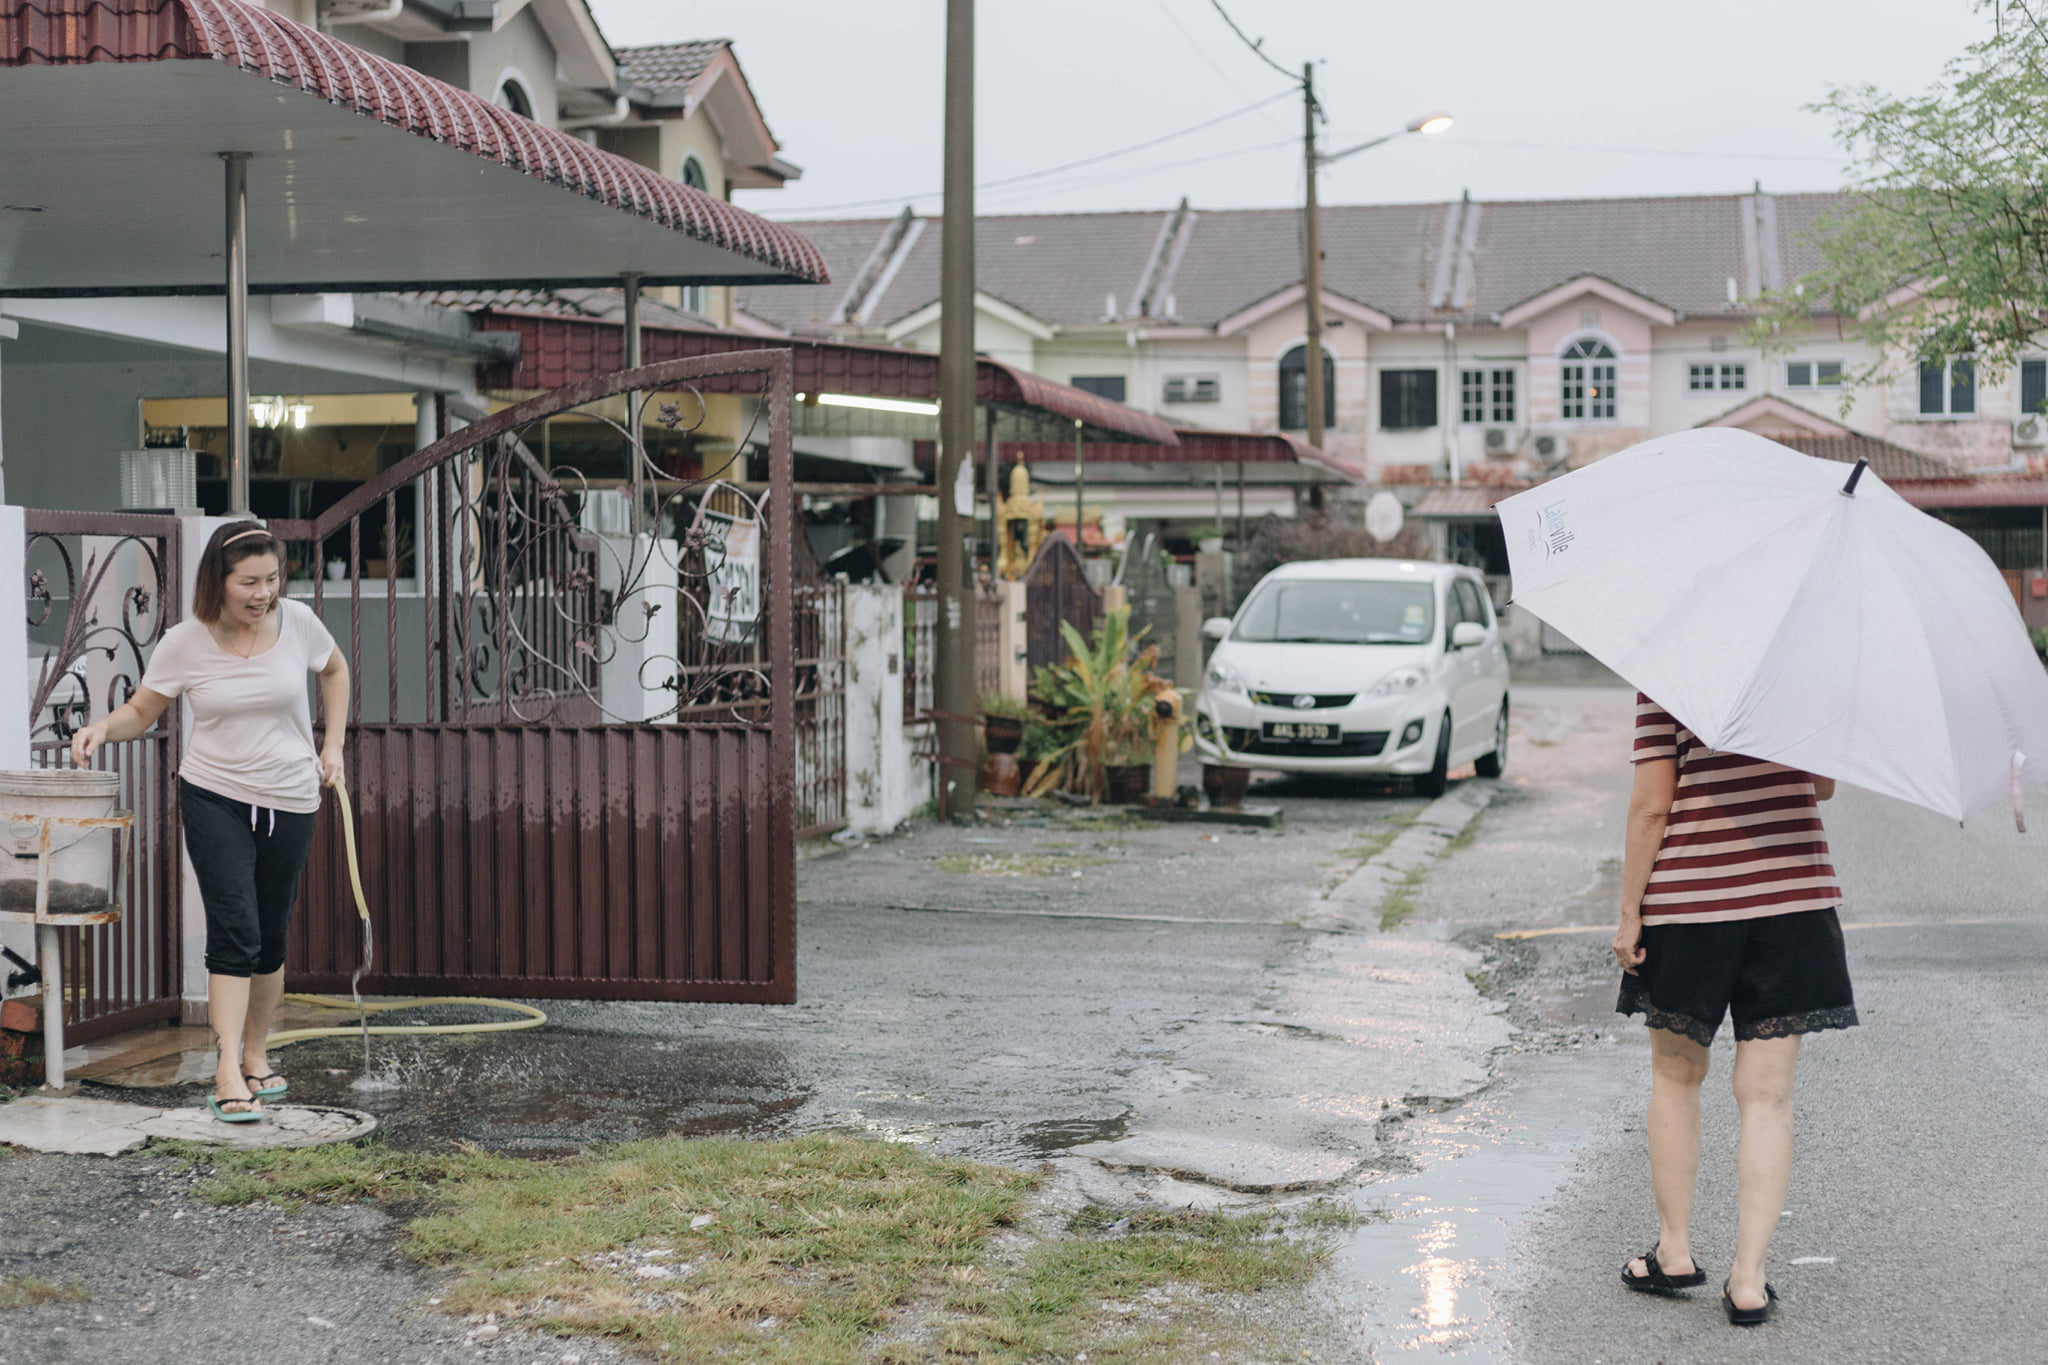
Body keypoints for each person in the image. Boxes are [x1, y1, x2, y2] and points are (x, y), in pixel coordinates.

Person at [73, 522, 347, 1122]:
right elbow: (143, 711)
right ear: (217, 583)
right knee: (236, 929)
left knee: (270, 938)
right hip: (215, 795)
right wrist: (100, 727)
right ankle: (226, 1068)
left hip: (292, 799)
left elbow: (335, 671)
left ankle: (256, 1052)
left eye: (271, 580)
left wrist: (333, 747)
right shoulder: (186, 641)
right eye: (249, 582)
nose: (263, 593)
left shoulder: (298, 622)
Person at [1612, 693, 1857, 1326]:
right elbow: (1821, 786)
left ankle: (1674, 1251)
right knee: (1768, 1095)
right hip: (1793, 896)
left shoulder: (1670, 674)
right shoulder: (1800, 671)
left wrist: (1629, 910)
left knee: (1675, 1077)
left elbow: (1651, 805)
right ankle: (1748, 1281)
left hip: (1693, 901)